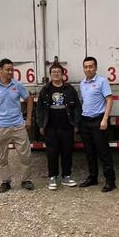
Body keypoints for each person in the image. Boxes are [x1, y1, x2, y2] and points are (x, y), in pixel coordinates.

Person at [0, 58, 34, 192]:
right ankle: (5, 181)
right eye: (7, 70)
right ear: (0, 70)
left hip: (18, 126)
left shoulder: (17, 85)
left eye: (12, 70)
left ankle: (26, 180)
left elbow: (29, 99)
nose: (10, 72)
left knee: (25, 155)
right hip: (1, 127)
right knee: (2, 156)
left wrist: (28, 119)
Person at [36, 62, 82, 190]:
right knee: (52, 153)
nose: (56, 73)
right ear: (50, 74)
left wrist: (76, 123)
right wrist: (41, 125)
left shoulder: (69, 89)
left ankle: (67, 176)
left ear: (62, 74)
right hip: (50, 128)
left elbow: (77, 107)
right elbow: (39, 109)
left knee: (67, 152)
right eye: (53, 72)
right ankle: (52, 177)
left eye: (58, 71)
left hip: (67, 126)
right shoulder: (45, 90)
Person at [79, 56, 116, 192]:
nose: (88, 69)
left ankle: (110, 181)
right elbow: (82, 101)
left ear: (95, 68)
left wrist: (105, 119)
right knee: (89, 152)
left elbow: (109, 100)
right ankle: (93, 178)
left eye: (91, 66)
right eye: (86, 67)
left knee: (103, 152)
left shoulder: (102, 81)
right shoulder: (82, 84)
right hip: (85, 121)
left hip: (98, 120)